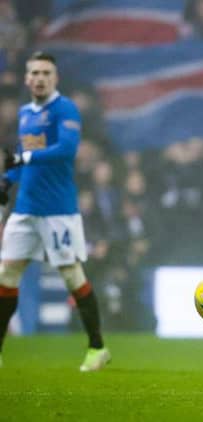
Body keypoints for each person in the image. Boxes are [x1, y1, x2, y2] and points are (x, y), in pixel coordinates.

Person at [0, 52, 110, 371]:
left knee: (71, 275)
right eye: (34, 72)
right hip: (25, 209)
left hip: (58, 210)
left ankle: (97, 347)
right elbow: (24, 155)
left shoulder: (65, 109)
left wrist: (23, 161)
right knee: (7, 275)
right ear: (26, 78)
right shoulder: (25, 113)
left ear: (55, 78)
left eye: (46, 73)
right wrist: (8, 180)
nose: (39, 78)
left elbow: (66, 150)